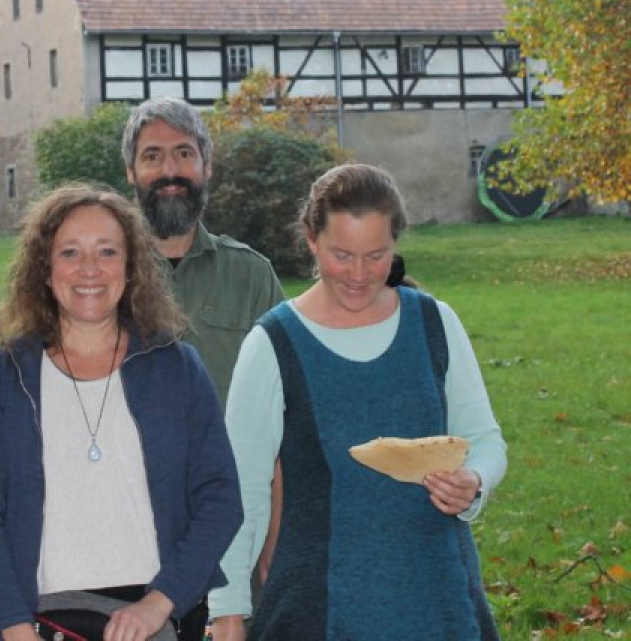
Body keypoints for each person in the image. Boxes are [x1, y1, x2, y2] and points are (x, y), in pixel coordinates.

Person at [208, 163, 507, 640]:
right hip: (317, 608)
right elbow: (241, 490)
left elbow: (486, 442)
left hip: (439, 595)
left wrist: (473, 482)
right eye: (342, 255)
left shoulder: (435, 323)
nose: (359, 274)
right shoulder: (272, 344)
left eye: (376, 255)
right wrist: (227, 612)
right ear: (311, 239)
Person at [0, 183, 242, 641]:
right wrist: (13, 626)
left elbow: (221, 498)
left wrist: (160, 603)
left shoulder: (176, 368)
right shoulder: (3, 379)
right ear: (45, 270)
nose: (89, 268)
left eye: (107, 251)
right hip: (41, 619)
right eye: (70, 252)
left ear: (130, 268)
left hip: (154, 619)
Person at [121, 97, 284, 405]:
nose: (170, 171)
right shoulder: (102, 275)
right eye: (152, 156)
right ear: (131, 170)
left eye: (184, 153)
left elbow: (285, 390)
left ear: (206, 166)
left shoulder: (251, 276)